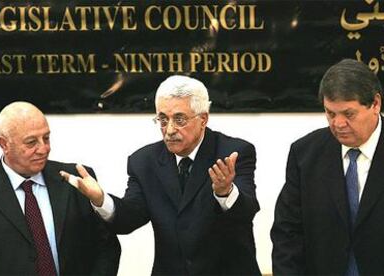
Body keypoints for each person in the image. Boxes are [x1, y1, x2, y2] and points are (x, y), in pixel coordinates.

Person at [60, 75, 261, 275]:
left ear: (203, 119)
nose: (170, 130)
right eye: (163, 119)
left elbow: (247, 211)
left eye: (179, 119)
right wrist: (101, 200)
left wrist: (226, 192)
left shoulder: (233, 152)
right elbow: (130, 217)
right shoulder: (144, 161)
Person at [0, 101, 121, 275]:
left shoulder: (77, 180)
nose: (43, 149)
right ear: (4, 144)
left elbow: (106, 247)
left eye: (46, 138)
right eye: (31, 142)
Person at [271, 59, 384, 275]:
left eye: (348, 114)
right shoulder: (305, 154)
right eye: (330, 113)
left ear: (375, 104)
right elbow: (288, 233)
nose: (338, 124)